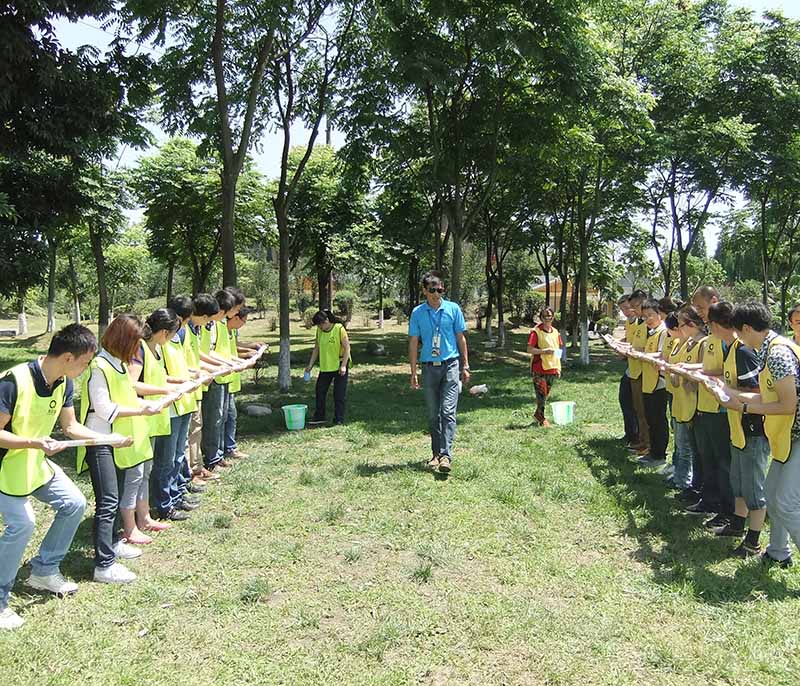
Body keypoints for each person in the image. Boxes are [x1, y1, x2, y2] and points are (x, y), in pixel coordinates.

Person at [0, 325, 131, 630]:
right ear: (68, 357)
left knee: (74, 503)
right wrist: (34, 442)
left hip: (33, 463)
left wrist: (107, 439)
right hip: (5, 467)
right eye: (85, 363)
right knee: (23, 525)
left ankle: (44, 570)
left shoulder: (64, 383)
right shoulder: (12, 382)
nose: (85, 370)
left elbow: (70, 427)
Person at [77, 315, 162, 585]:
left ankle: (114, 543)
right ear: (124, 340)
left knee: (113, 499)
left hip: (118, 441)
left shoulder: (119, 364)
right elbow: (104, 409)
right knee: (107, 502)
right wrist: (141, 409)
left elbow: (126, 397)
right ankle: (104, 565)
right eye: (135, 342)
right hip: (100, 441)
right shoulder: (99, 366)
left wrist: (145, 404)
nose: (138, 348)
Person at [718, 302, 800, 568]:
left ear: (746, 328)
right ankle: (778, 553)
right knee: (773, 495)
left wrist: (743, 407)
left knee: (786, 503)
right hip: (788, 437)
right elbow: (770, 397)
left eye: (738, 333)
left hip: (795, 435)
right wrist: (731, 394)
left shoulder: (777, 354)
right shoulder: (771, 349)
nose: (739, 340)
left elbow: (788, 405)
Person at [708, 302, 768, 555]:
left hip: (752, 429)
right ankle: (737, 525)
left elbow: (757, 391)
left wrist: (725, 392)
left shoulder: (743, 351)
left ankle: (753, 541)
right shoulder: (732, 349)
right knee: (739, 483)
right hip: (738, 428)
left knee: (753, 488)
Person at [130, 308, 196, 526]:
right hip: (143, 418)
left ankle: (161, 505)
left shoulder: (155, 349)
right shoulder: (140, 349)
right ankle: (162, 506)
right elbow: (132, 384)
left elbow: (157, 377)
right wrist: (165, 391)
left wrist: (178, 383)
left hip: (157, 417)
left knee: (157, 466)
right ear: (165, 332)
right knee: (155, 466)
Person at [408, 271, 470, 474]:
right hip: (428, 367)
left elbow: (461, 338)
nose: (437, 294)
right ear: (425, 291)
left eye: (440, 290)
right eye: (432, 290)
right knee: (433, 414)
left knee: (448, 412)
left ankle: (445, 456)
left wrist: (465, 365)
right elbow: (413, 342)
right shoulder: (418, 313)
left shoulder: (453, 309)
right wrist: (413, 372)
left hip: (451, 365)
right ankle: (436, 454)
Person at [687, 286, 732, 529]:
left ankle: (728, 511)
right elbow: (710, 367)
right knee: (709, 458)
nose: (698, 313)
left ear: (714, 300)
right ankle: (710, 500)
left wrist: (702, 373)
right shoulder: (711, 336)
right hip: (705, 405)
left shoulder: (728, 336)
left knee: (723, 462)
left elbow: (729, 373)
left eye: (701, 307)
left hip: (722, 408)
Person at [185, 293, 226, 483]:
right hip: (185, 391)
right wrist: (203, 373)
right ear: (203, 316)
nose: (210, 323)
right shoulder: (183, 332)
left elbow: (197, 355)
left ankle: (197, 467)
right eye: (209, 319)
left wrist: (216, 367)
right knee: (188, 435)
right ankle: (190, 474)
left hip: (196, 389)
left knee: (196, 430)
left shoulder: (194, 329)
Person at [200, 289, 238, 472]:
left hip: (221, 375)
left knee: (221, 418)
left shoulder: (217, 325)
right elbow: (203, 352)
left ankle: (218, 455)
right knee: (213, 419)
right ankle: (211, 458)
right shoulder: (207, 326)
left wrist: (229, 363)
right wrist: (223, 364)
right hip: (210, 377)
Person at [671, 306, 705, 503]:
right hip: (682, 403)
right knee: (683, 445)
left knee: (692, 450)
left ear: (691, 324)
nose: (679, 328)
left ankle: (689, 484)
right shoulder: (688, 344)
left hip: (695, 405)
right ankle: (685, 482)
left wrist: (683, 374)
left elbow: (697, 381)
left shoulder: (702, 344)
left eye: (681, 324)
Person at [305, 310, 352, 426]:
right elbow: (316, 348)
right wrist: (310, 365)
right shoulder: (319, 331)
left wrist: (343, 366)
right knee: (320, 391)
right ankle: (319, 416)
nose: (320, 327)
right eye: (318, 325)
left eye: (321, 324)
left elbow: (347, 348)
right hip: (326, 366)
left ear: (327, 321)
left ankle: (338, 419)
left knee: (339, 393)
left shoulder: (339, 329)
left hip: (339, 365)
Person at [223, 301, 258, 457]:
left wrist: (250, 349)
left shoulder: (231, 331)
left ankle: (229, 447)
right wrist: (246, 355)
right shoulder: (221, 330)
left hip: (231, 380)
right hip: (222, 380)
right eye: (244, 321)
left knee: (231, 416)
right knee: (226, 417)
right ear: (235, 317)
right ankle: (226, 449)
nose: (244, 324)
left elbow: (234, 348)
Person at [638, 300, 669, 468]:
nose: (647, 319)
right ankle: (652, 451)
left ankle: (659, 455)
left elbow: (662, 354)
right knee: (650, 418)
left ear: (659, 314)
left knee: (658, 420)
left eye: (650, 315)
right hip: (648, 382)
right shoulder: (652, 332)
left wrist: (644, 356)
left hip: (659, 383)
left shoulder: (663, 332)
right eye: (644, 317)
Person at [527, 306, 563, 427]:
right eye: (544, 316)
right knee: (541, 394)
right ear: (541, 318)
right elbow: (529, 349)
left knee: (545, 395)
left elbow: (558, 351)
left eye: (549, 316)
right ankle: (542, 419)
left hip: (552, 368)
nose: (547, 318)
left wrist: (558, 368)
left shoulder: (556, 332)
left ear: (553, 317)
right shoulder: (536, 331)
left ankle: (538, 415)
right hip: (539, 369)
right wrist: (543, 351)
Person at [626, 290, 650, 456]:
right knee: (638, 410)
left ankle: (648, 444)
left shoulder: (650, 326)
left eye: (636, 306)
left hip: (645, 374)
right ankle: (642, 440)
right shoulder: (639, 324)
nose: (633, 310)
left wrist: (633, 351)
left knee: (645, 412)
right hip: (635, 372)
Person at [616, 296, 640, 446]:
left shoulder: (640, 323)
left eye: (627, 307)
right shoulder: (628, 322)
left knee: (635, 405)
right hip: (630, 368)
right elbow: (629, 339)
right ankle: (629, 434)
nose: (625, 311)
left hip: (639, 370)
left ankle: (636, 436)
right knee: (624, 400)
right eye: (622, 309)